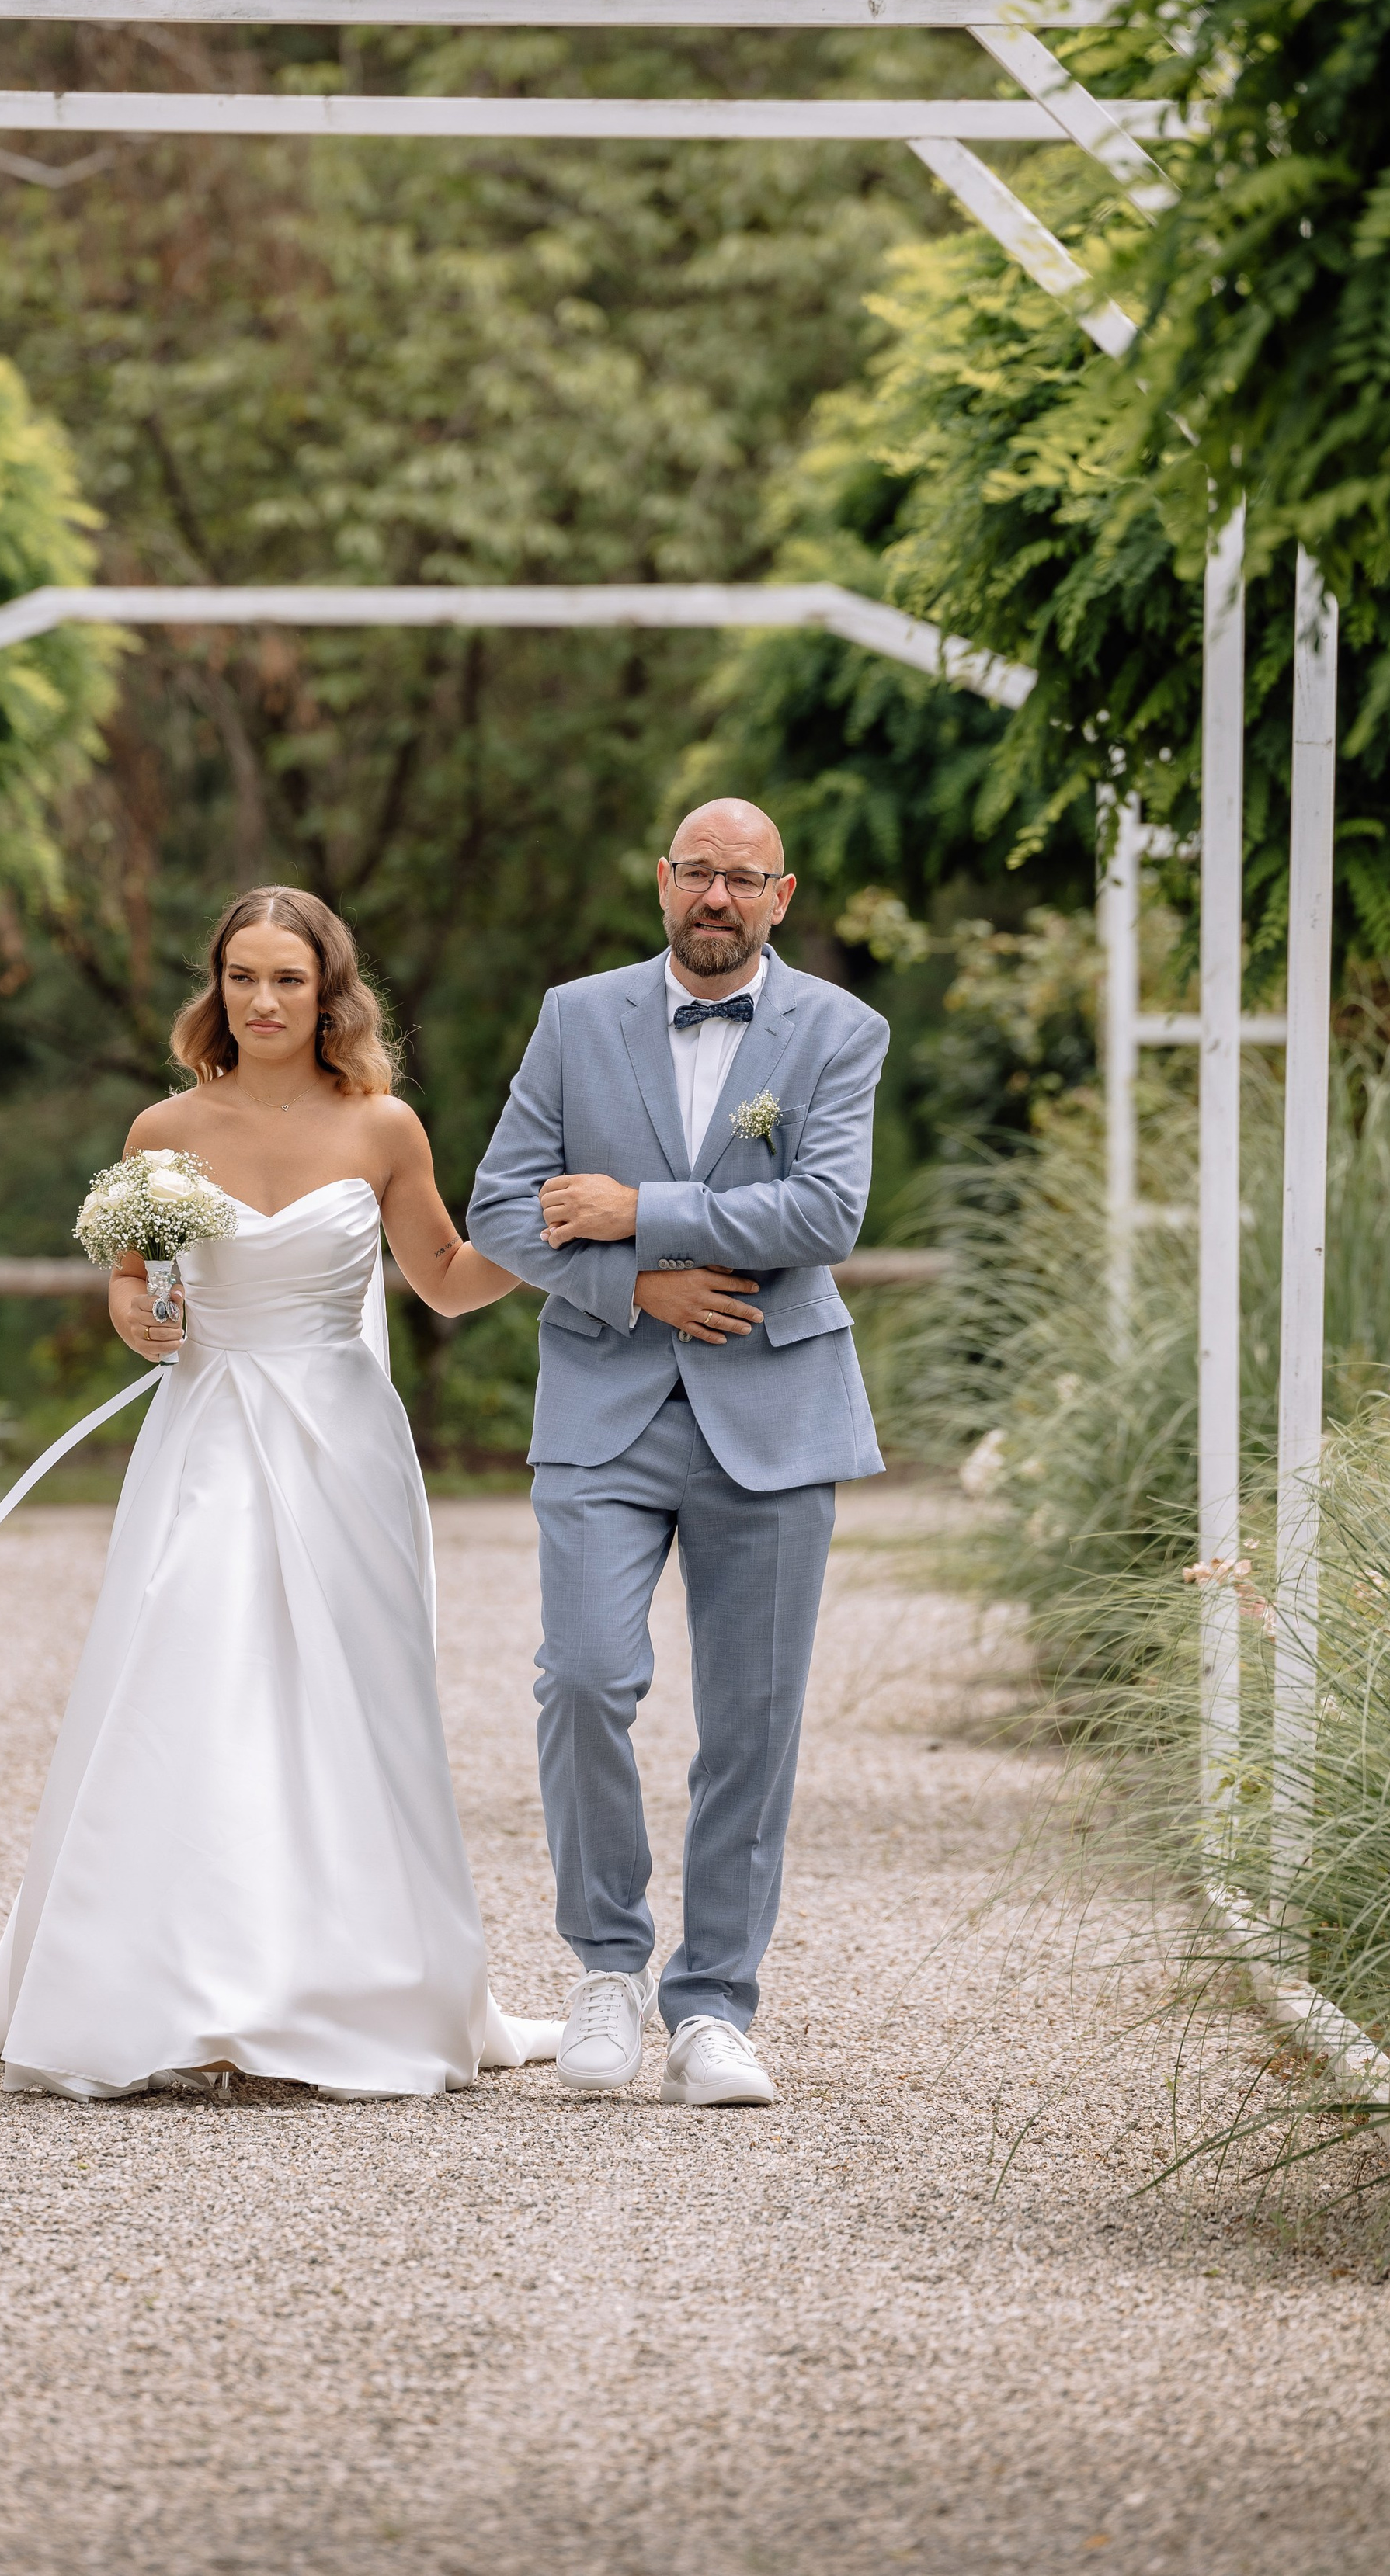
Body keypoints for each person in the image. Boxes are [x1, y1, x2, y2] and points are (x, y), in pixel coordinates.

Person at [0, 885, 561, 2101]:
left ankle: (358, 1984)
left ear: (328, 991)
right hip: (210, 1434)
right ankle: (165, 1986)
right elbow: (134, 1288)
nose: (265, 1001)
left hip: (343, 1441)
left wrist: (550, 1233)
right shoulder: (163, 1128)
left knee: (353, 1692)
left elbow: (440, 1280)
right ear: (216, 990)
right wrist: (135, 1312)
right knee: (192, 1673)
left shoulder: (384, 1126)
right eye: (244, 978)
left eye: (289, 979)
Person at [467, 798, 888, 2109]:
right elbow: (498, 1207)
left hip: (775, 1407)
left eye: (743, 878)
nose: (717, 895)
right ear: (662, 881)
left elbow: (825, 1209)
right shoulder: (576, 1015)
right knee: (585, 1680)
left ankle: (715, 2008)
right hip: (605, 1404)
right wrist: (634, 1288)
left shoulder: (840, 1030)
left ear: (782, 895)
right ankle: (605, 1968)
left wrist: (634, 1209)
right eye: (697, 872)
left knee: (751, 1726)